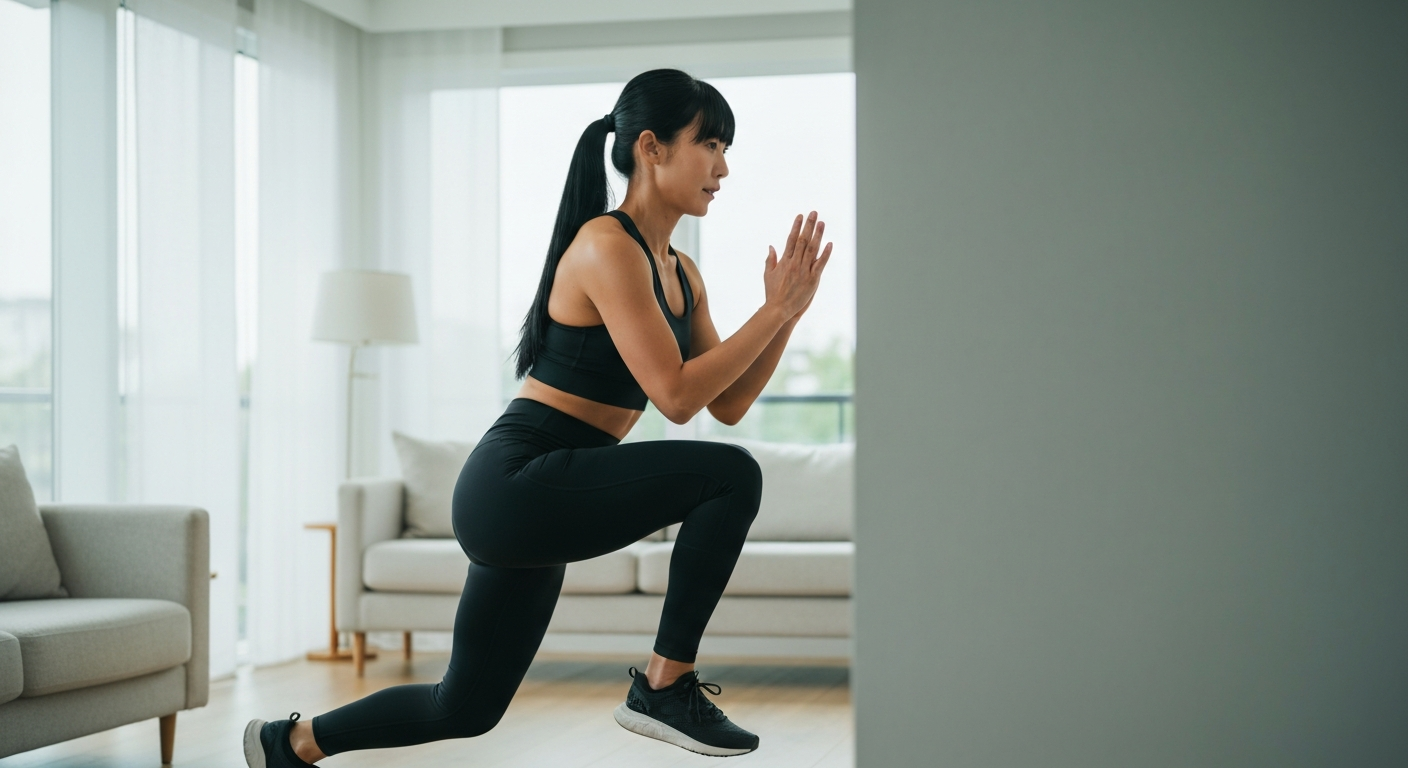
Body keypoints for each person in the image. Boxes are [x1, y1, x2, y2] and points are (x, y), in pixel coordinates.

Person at [243, 67, 831, 766]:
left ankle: (289, 743)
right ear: (652, 147)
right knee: (732, 475)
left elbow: (727, 404)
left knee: (464, 708)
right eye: (710, 145)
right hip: (517, 481)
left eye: (726, 150)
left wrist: (786, 315)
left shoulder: (682, 272)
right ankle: (663, 686)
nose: (723, 168)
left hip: (550, 489)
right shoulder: (606, 246)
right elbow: (675, 398)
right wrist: (771, 310)